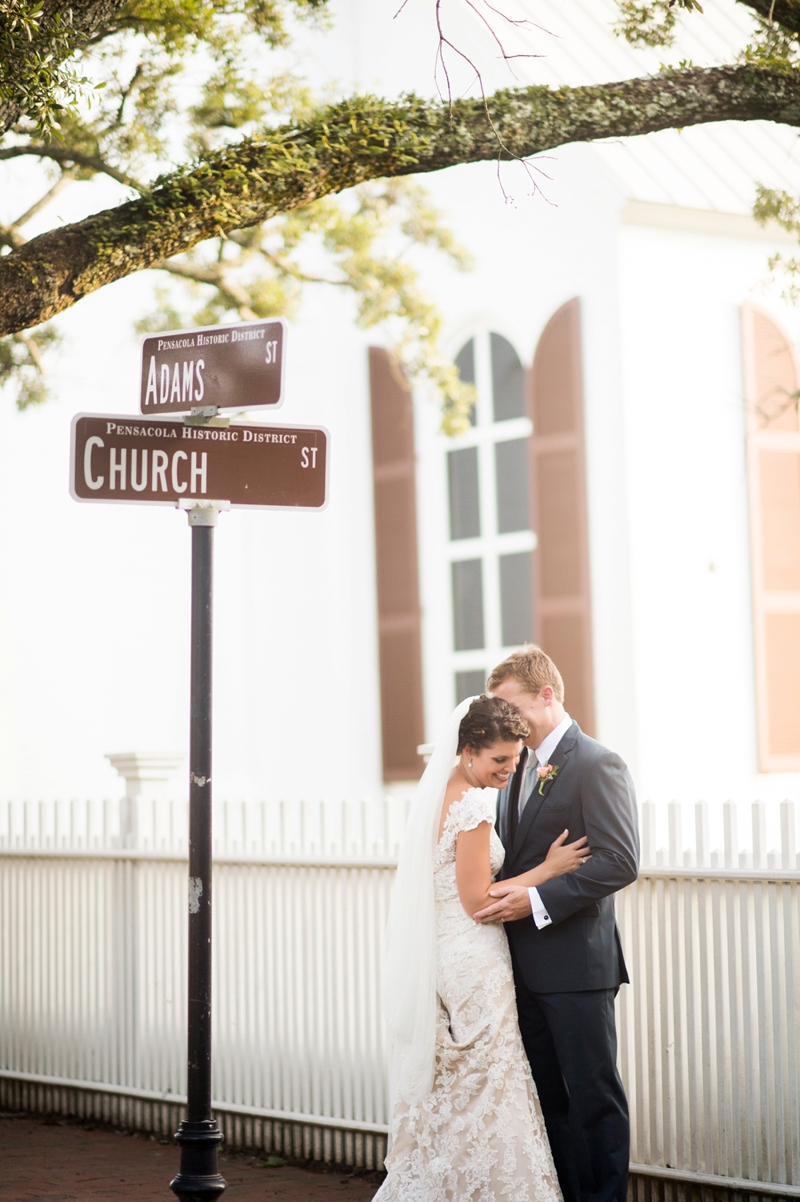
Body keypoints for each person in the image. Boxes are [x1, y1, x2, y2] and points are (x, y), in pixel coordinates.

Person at [375, 694, 591, 1202]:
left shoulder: (440, 793)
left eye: (516, 759)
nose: (510, 768)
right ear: (468, 750)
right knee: (491, 1081)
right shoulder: (470, 806)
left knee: (462, 1083)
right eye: (500, 759)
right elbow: (477, 901)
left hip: (447, 956)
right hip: (474, 957)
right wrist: (548, 870)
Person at [477, 647, 639, 1202]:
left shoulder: (597, 763)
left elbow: (619, 861)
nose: (503, 718)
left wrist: (536, 901)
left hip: (576, 968)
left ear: (547, 695)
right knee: (547, 1102)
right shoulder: (511, 764)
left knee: (593, 1099)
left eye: (510, 705)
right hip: (518, 967)